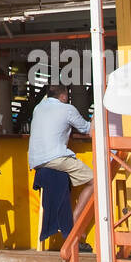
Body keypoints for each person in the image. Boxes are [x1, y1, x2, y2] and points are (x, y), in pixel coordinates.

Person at [28, 86, 94, 218]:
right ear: (63, 97)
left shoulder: (38, 108)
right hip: (55, 158)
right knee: (95, 181)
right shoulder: (67, 109)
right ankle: (74, 220)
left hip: (36, 161)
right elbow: (88, 130)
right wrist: (96, 116)